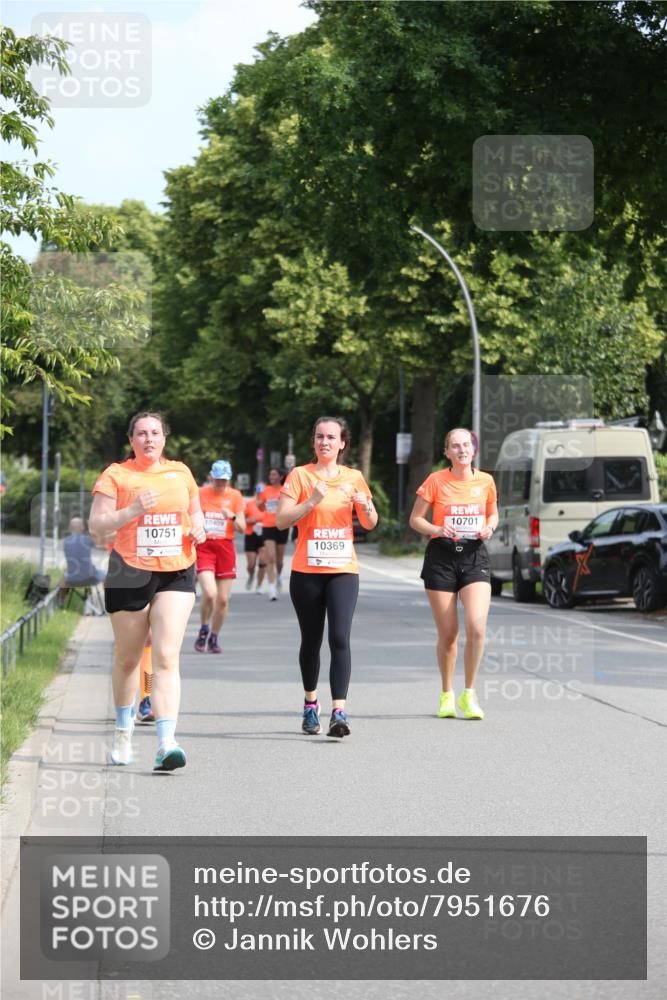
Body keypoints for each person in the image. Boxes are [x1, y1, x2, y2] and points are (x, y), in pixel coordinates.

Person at [89, 411, 205, 771]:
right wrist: (133, 510)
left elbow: (196, 512)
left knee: (167, 655)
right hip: (129, 571)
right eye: (141, 434)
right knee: (128, 658)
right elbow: (97, 527)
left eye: (155, 433)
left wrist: (198, 530)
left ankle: (166, 742)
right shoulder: (117, 475)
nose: (149, 439)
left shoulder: (181, 472)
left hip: (177, 571)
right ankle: (123, 733)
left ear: (165, 439)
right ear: (131, 441)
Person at [276, 416, 378, 738]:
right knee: (311, 640)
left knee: (340, 639)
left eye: (331, 437)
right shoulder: (300, 476)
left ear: (342, 443)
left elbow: (371, 521)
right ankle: (310, 704)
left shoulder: (354, 477)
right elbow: (281, 520)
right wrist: (312, 501)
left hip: (343, 570)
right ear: (314, 442)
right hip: (307, 570)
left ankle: (339, 712)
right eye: (320, 437)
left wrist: (365, 507)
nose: (325, 442)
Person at [408, 427, 498, 720]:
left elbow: (493, 512)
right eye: (455, 446)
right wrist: (437, 529)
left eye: (466, 445)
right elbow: (415, 520)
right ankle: (446, 694)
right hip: (442, 557)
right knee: (449, 634)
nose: (462, 450)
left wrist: (490, 527)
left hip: (474, 556)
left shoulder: (486, 480)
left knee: (477, 627)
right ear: (447, 452)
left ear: (474, 450)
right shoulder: (435, 481)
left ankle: (468, 694)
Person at [194, 460, 246, 653]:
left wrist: (231, 516)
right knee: (210, 593)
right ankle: (203, 627)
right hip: (205, 547)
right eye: (217, 480)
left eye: (224, 480)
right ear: (211, 477)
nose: (221, 484)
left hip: (225, 548)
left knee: (223, 599)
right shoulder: (201, 494)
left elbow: (242, 528)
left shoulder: (235, 496)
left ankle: (214, 636)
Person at [58, 517, 105, 606]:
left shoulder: (65, 542)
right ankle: (110, 601)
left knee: (63, 577)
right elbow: (102, 545)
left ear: (69, 528)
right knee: (107, 575)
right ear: (82, 528)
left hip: (71, 579)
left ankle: (61, 601)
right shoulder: (87, 539)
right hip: (89, 578)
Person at [256, 468, 287, 600]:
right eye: (270, 474)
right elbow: (260, 507)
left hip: (281, 525)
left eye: (274, 474)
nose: (272, 476)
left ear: (280, 477)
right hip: (268, 525)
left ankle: (279, 575)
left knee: (279, 560)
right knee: (271, 557)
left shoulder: (285, 490)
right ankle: (272, 588)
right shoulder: (265, 490)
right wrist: (261, 503)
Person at [243, 486, 265, 591]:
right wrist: (249, 520)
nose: (260, 493)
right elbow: (242, 519)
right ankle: (251, 575)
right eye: (258, 491)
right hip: (251, 534)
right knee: (251, 565)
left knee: (262, 562)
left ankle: (259, 586)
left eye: (262, 491)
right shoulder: (249, 504)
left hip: (264, 535)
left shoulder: (268, 505)